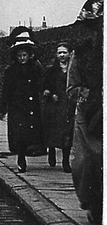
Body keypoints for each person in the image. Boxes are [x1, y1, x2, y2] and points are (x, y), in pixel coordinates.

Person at [67, 0, 103, 225]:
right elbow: (72, 87)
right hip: (91, 114)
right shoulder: (82, 53)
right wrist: (86, 95)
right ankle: (93, 203)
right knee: (85, 162)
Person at [0, 29, 45, 173]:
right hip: (17, 106)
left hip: (32, 104)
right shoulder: (11, 70)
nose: (22, 58)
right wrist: (3, 107)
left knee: (33, 131)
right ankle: (21, 158)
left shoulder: (36, 67)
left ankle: (34, 151)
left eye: (25, 55)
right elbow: (6, 90)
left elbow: (42, 83)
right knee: (19, 134)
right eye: (19, 56)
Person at [41, 41, 73, 171]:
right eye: (59, 52)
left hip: (68, 105)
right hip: (55, 105)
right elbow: (44, 86)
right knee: (54, 131)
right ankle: (52, 151)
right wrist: (50, 94)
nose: (62, 55)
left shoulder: (73, 69)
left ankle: (65, 161)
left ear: (69, 54)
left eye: (64, 52)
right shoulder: (51, 69)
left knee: (67, 133)